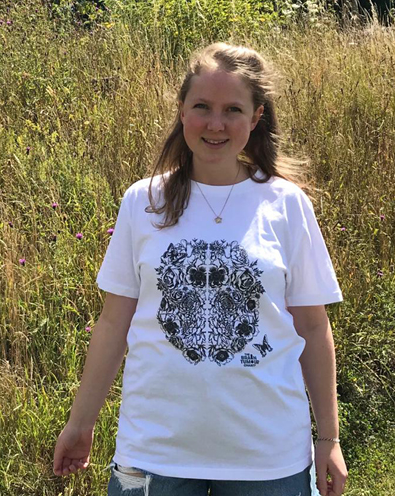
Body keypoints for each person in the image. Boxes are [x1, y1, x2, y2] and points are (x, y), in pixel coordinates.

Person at [53, 42, 348, 496]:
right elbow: (114, 322)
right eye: (202, 107)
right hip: (154, 451)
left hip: (268, 456)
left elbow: (312, 327)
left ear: (256, 118)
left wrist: (329, 439)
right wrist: (81, 422)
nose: (215, 123)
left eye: (233, 109)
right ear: (181, 110)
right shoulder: (143, 202)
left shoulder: (287, 205)